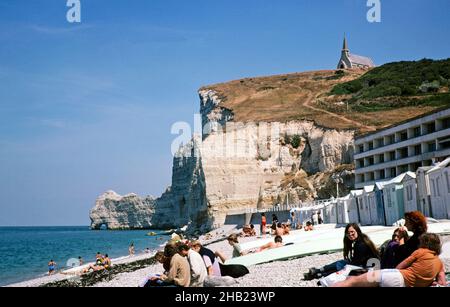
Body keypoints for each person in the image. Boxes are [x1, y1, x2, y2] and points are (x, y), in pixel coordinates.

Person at [333, 233, 448, 287]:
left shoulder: (420, 251)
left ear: (424, 243)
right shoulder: (439, 263)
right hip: (404, 285)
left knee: (351, 281)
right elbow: (442, 283)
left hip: (396, 276)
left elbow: (400, 267)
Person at [305, 223, 379, 280]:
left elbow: (356, 264)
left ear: (357, 231)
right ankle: (318, 272)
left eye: (352, 232)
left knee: (342, 266)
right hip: (365, 266)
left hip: (369, 269)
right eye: (348, 233)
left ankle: (318, 273)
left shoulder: (360, 244)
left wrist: (347, 265)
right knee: (342, 263)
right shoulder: (361, 240)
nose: (350, 234)